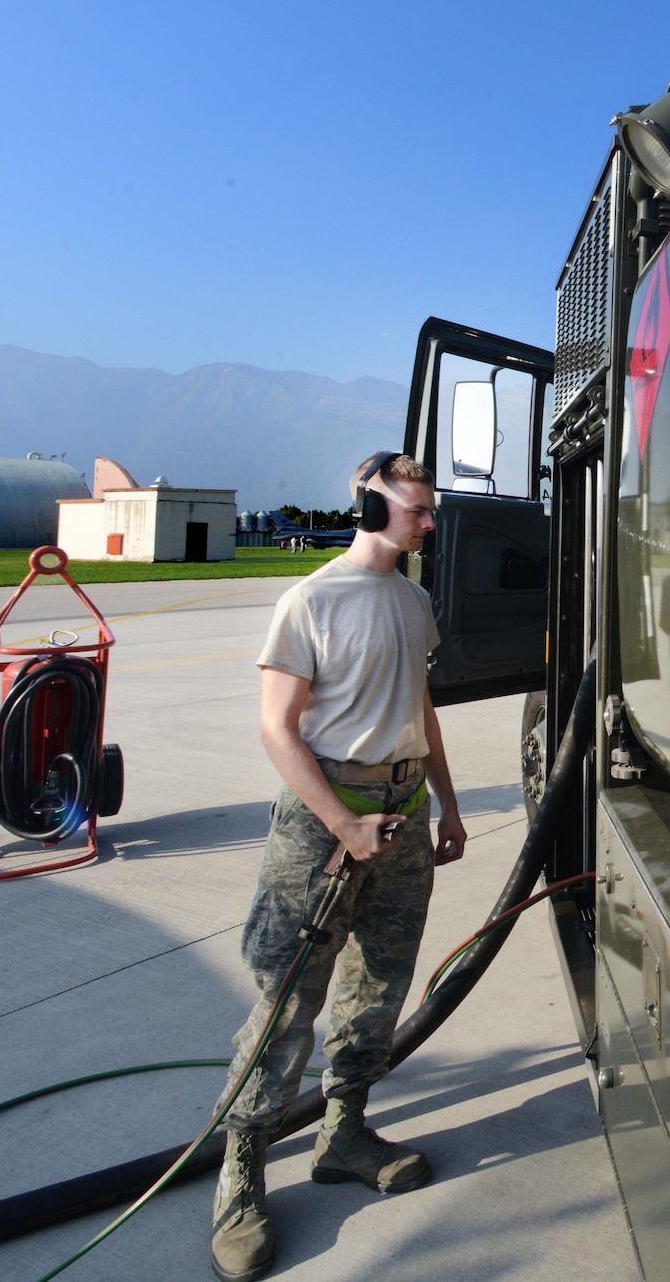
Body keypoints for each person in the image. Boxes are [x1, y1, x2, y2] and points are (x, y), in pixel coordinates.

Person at [209, 453, 469, 1282]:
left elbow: (418, 708)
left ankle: (343, 1131)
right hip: (327, 820)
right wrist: (343, 826)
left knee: (379, 984)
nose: (430, 522)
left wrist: (449, 805)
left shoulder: (413, 599)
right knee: (289, 995)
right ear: (370, 505)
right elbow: (278, 729)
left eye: (431, 510)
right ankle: (241, 1165)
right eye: (418, 510)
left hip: (404, 810)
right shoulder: (310, 600)